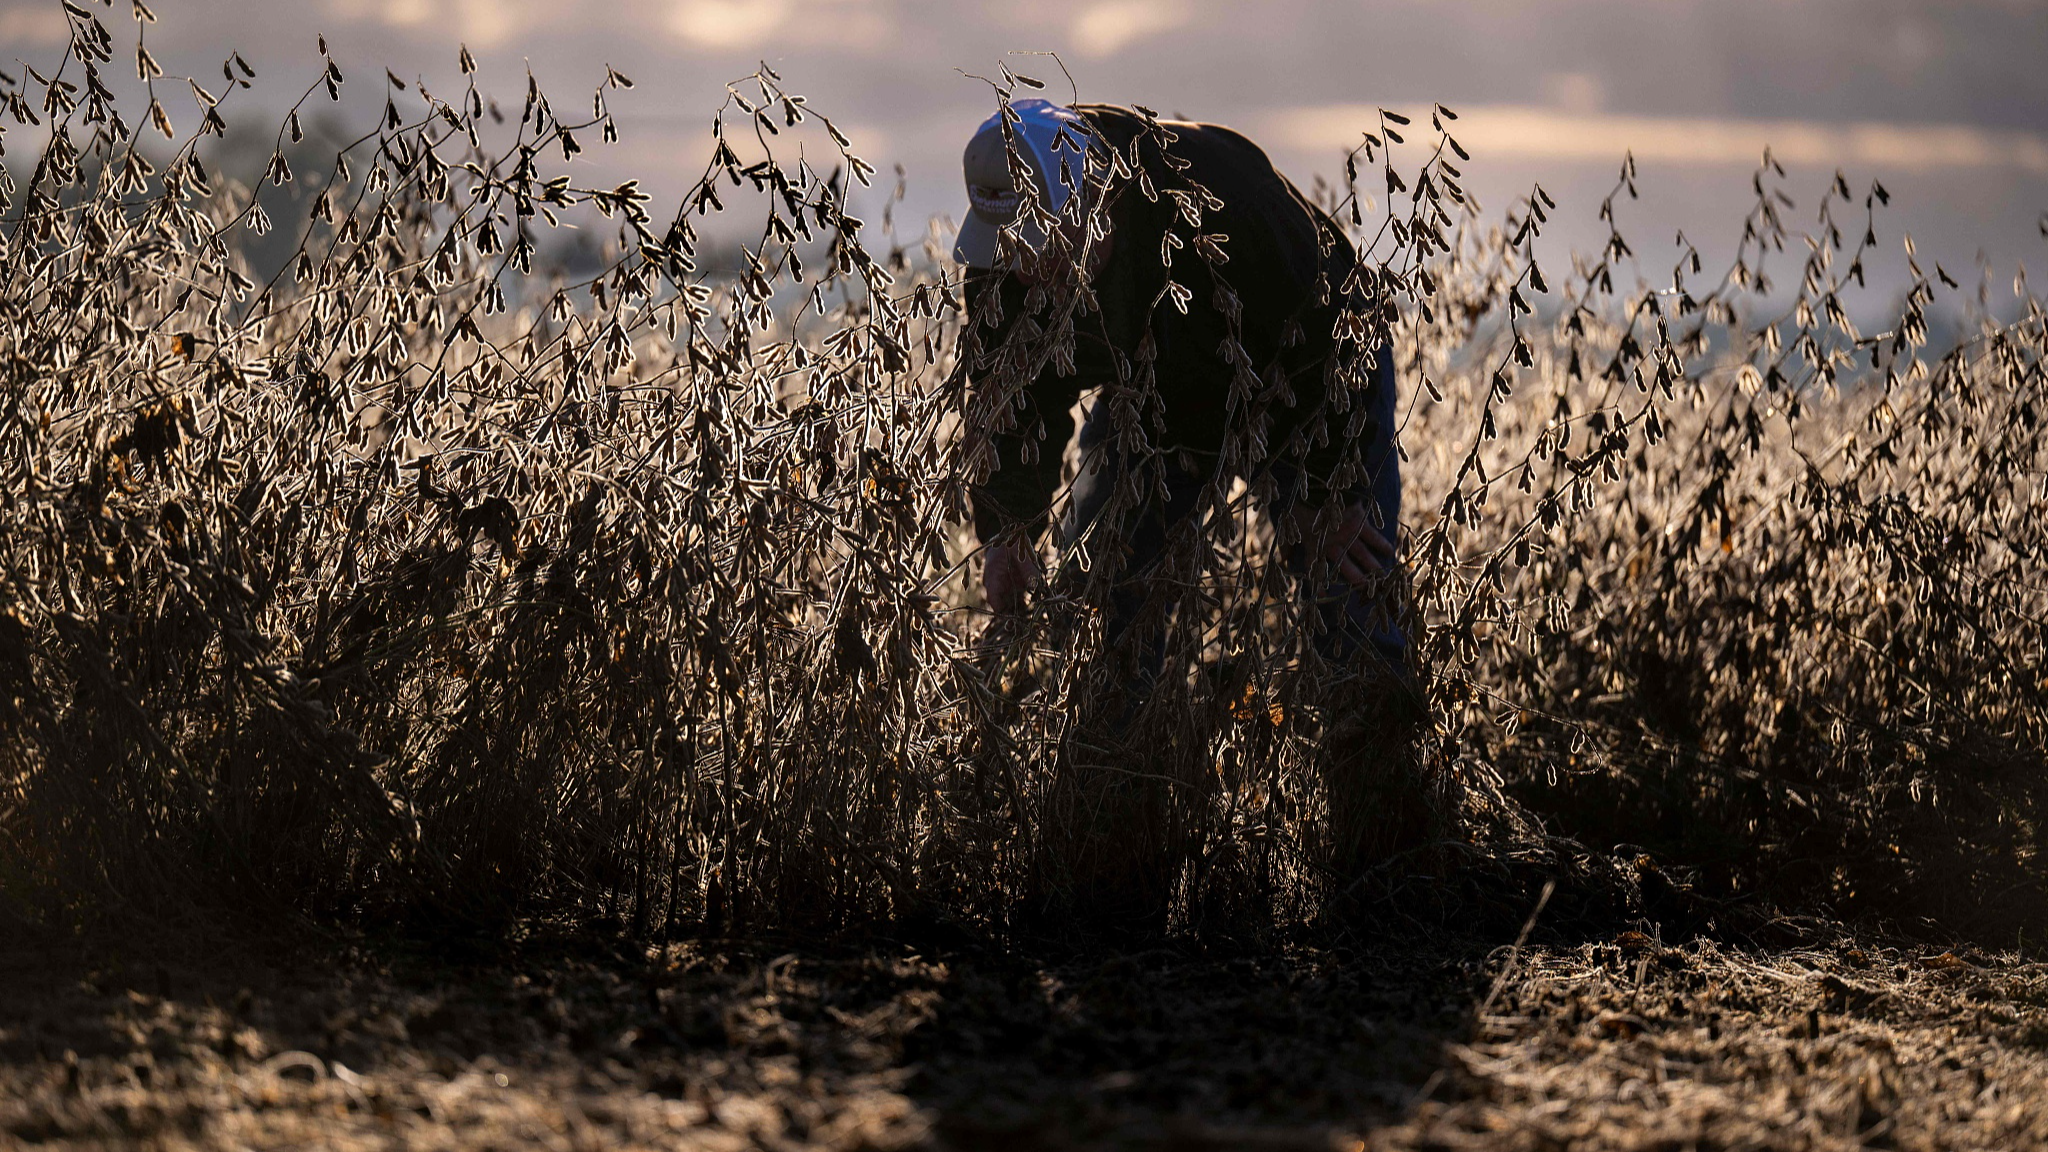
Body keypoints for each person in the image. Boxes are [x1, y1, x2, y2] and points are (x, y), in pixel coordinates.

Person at [952, 97, 1408, 697]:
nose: (1028, 266)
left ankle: (1380, 764)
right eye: (1011, 248)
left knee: (1349, 580)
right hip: (1156, 402)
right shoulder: (1003, 269)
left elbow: (1334, 332)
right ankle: (1111, 775)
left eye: (1042, 239)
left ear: (1099, 200)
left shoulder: (1220, 203)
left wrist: (1329, 494)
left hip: (1308, 378)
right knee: (1099, 598)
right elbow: (1009, 402)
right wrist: (1008, 528)